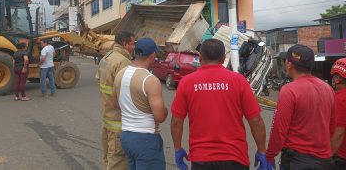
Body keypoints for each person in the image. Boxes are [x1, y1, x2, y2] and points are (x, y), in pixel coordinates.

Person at [171, 38, 267, 170]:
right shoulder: (239, 81)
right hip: (235, 158)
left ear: (200, 58)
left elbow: (177, 121)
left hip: (201, 159)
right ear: (223, 58)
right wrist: (262, 150)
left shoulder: (186, 82)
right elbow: (256, 120)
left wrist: (177, 148)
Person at [266, 44, 335, 170]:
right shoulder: (328, 89)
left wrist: (270, 155)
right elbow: (332, 127)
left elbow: (279, 129)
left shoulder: (289, 90)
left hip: (297, 160)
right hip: (324, 160)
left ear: (289, 64)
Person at [112, 37, 168, 170]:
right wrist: (165, 110)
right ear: (152, 55)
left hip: (126, 136)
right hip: (145, 138)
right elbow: (160, 116)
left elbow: (115, 103)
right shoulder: (150, 80)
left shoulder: (121, 73)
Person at [95, 31, 135, 170]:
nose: (133, 47)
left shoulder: (107, 57)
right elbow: (127, 93)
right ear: (124, 44)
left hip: (107, 118)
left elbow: (98, 79)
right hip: (118, 123)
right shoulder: (123, 62)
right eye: (132, 43)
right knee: (118, 162)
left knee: (108, 159)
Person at [330, 58, 346, 170]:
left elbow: (339, 132)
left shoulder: (341, 99)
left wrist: (327, 156)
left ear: (337, 78)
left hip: (341, 157)